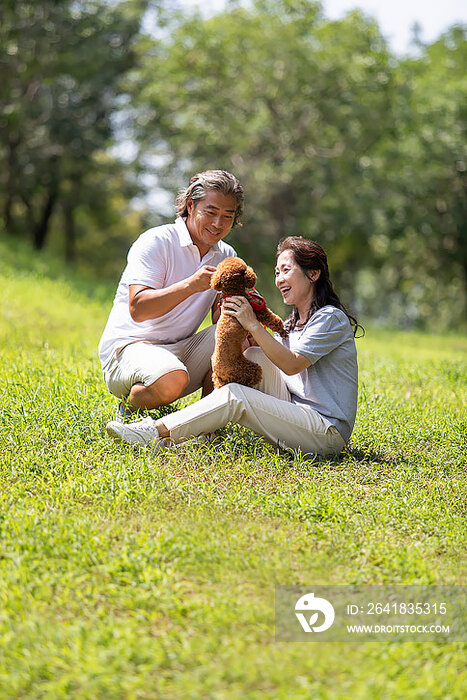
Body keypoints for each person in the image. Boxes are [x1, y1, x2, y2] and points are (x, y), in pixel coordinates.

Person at [106, 236, 362, 457]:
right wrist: (239, 330)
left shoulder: (329, 318)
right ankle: (206, 428)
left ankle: (156, 433)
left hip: (325, 432)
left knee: (236, 396)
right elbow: (273, 359)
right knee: (252, 354)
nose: (279, 279)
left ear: (313, 274)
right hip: (295, 412)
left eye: (286, 270)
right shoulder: (293, 322)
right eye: (276, 272)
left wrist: (253, 325)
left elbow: (292, 364)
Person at [98, 170, 244, 421]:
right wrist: (190, 286)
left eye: (227, 216)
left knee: (236, 331)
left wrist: (236, 306)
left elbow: (218, 319)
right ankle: (129, 410)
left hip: (181, 350)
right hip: (130, 350)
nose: (218, 224)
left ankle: (204, 424)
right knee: (172, 377)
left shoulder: (226, 254)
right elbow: (138, 309)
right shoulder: (156, 241)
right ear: (190, 205)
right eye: (210, 212)